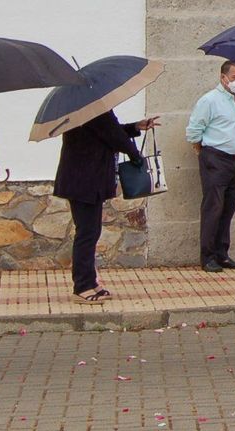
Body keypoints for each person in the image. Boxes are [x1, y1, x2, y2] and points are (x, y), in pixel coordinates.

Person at [53, 109, 158, 302]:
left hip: (85, 180)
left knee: (90, 232)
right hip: (84, 180)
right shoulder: (94, 108)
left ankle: (90, 282)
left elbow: (109, 131)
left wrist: (135, 127)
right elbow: (114, 135)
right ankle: (82, 286)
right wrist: (137, 157)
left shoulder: (85, 108)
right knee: (86, 233)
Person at [186, 61, 235, 273]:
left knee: (228, 207)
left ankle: (222, 253)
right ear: (223, 78)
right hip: (215, 157)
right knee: (213, 207)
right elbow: (194, 130)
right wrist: (202, 152)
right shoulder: (209, 100)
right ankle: (207, 256)